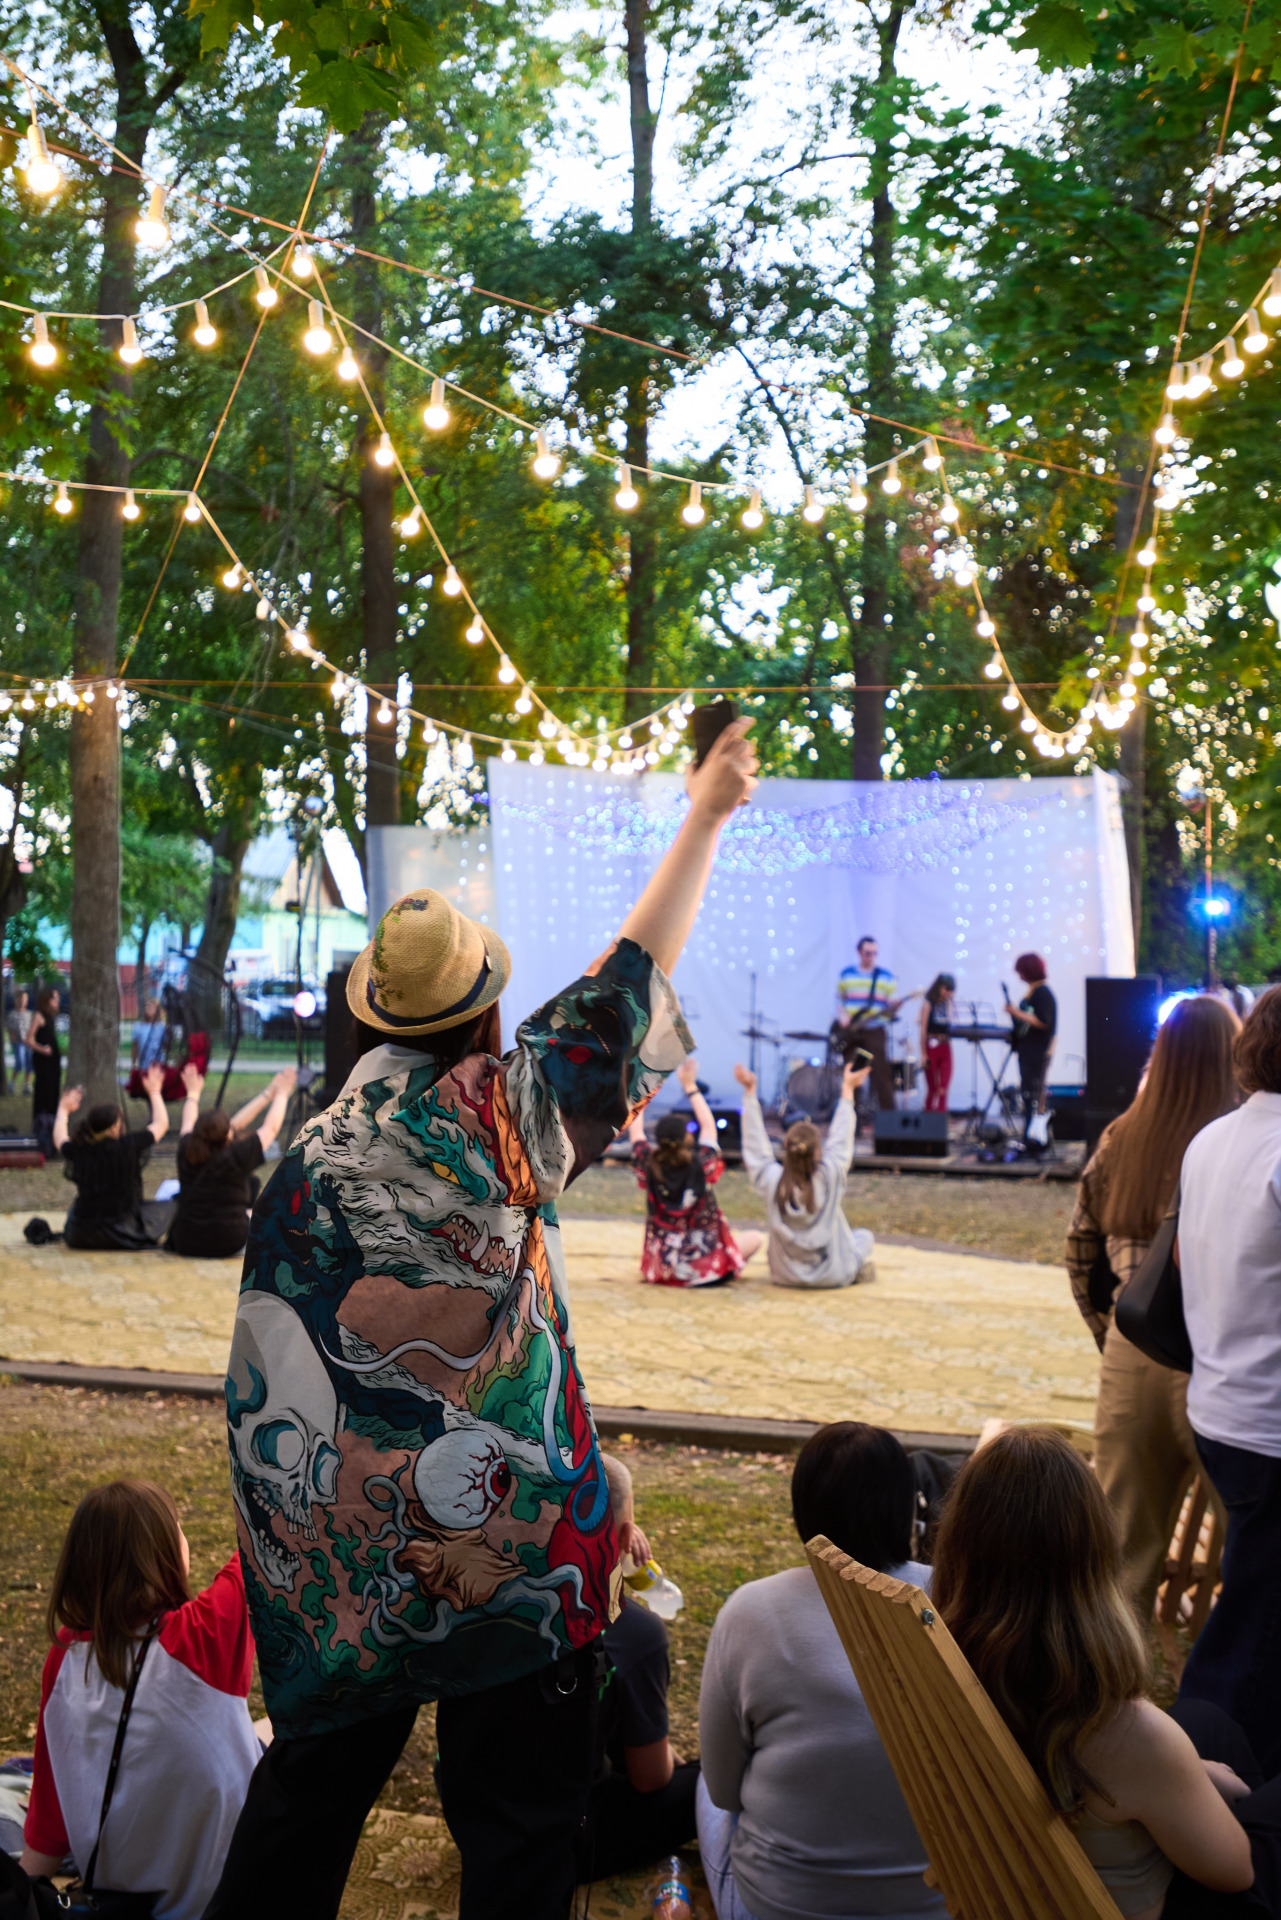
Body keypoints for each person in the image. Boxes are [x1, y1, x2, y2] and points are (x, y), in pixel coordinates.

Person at [203, 717, 758, 1920]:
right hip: (506, 1558)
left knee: (306, 1807)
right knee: (517, 1835)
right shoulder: (498, 1119)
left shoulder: (304, 1160)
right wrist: (706, 812)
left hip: (340, 1566)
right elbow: (632, 979)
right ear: (478, 1019)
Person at [932, 1426, 1281, 1919]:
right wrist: (1184, 1782)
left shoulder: (940, 1666)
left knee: (1206, 1719)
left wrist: (1185, 1775)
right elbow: (1233, 1872)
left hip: (1032, 1865)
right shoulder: (1124, 1730)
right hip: (1130, 1905)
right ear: (1094, 1560)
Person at [697, 1422, 945, 1920]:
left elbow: (726, 1792)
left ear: (801, 1511)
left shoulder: (751, 1610)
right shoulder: (956, 1601)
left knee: (704, 1786)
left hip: (779, 1906)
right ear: (908, 1510)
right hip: (934, 1906)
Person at [1065, 994, 1238, 1616]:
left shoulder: (1121, 1135)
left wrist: (1111, 1334)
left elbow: (1079, 1251)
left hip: (1134, 1351)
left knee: (1118, 1561)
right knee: (1251, 1548)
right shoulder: (1240, 1144)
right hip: (1220, 1355)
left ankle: (1109, 1700)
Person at [19, 1478, 261, 1920]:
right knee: (265, 1744)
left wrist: (18, 1894)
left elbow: (49, 1815)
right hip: (229, 1902)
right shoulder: (202, 1636)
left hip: (122, 1909)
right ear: (166, 1553)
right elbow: (263, 1539)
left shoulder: (64, 1659)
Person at [1177, 986, 1281, 1775]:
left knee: (1253, 1595)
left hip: (1217, 1404)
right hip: (1266, 1420)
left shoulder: (1212, 1137)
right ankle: (1209, 1766)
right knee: (1250, 1621)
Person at [576, 1454, 700, 1885]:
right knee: (706, 1784)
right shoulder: (635, 1633)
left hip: (473, 1814)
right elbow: (651, 1779)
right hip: (563, 1842)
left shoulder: (483, 1592)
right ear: (628, 1536)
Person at [734, 1059, 876, 1288]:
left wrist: (750, 1094)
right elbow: (841, 1139)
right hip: (834, 1275)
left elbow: (755, 1149)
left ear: (786, 1149)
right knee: (864, 1238)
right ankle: (855, 1267)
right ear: (818, 1152)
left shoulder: (771, 1181)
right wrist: (847, 1090)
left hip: (784, 1276)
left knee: (860, 1237)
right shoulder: (831, 1174)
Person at [626, 1058, 764, 1286]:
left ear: (659, 1141)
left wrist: (640, 1091)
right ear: (686, 1138)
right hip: (707, 1271)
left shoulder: (647, 1164)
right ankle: (716, 1270)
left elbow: (636, 1130)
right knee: (756, 1239)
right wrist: (690, 1086)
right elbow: (709, 1127)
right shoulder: (702, 1164)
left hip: (663, 1271)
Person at [54, 1062, 198, 1250]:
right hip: (122, 1234)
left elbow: (60, 1140)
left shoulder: (80, 1149)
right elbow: (161, 1124)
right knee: (172, 1205)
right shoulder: (128, 1145)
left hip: (81, 1233)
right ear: (115, 1126)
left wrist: (63, 1110)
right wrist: (154, 1091)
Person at [167, 1067, 297, 1259]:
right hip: (229, 1240)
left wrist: (193, 1094)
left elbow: (188, 1122)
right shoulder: (236, 1156)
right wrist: (283, 1093)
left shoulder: (187, 1149)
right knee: (271, 1216)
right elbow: (271, 1128)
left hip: (186, 1240)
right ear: (227, 1135)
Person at [836, 936, 916, 1114]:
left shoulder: (885, 977)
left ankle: (890, 1123)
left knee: (882, 1076)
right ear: (859, 953)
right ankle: (851, 1122)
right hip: (851, 1033)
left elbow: (890, 1010)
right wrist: (842, 1015)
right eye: (867, 953)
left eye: (874, 953)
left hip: (875, 1031)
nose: (871, 957)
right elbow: (839, 1000)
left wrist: (896, 1006)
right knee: (851, 1076)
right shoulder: (847, 974)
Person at [1003, 952, 1056, 1146]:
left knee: (1032, 1093)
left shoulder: (1042, 993)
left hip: (1037, 1052)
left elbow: (1044, 1021)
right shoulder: (1034, 992)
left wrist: (1016, 1012)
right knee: (1028, 1093)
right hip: (1028, 1051)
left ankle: (1034, 1136)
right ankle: (1029, 1134)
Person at [29, 985, 61, 1152]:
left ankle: (51, 1130)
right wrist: (43, 1049)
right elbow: (29, 1040)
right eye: (54, 998)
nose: (58, 1001)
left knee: (53, 1094)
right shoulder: (39, 1017)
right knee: (44, 1094)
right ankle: (41, 1130)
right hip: (44, 1064)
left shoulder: (51, 1017)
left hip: (53, 1064)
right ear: (47, 1000)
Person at [919, 973, 956, 1115]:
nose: (949, 993)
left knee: (944, 1086)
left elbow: (953, 1024)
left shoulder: (948, 1004)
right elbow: (923, 1029)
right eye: (947, 990)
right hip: (931, 1045)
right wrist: (923, 1053)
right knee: (933, 1087)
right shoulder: (928, 1004)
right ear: (940, 988)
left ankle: (941, 1116)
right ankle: (929, 1116)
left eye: (951, 991)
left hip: (945, 1046)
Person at [7, 987, 33, 1096]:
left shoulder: (29, 1014)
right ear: (16, 1000)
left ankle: (27, 1084)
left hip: (28, 1043)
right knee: (20, 1062)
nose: (22, 1001)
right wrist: (13, 1039)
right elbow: (10, 1029)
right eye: (20, 999)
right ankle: (12, 1082)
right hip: (18, 1042)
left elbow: (31, 1028)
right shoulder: (12, 1014)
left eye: (24, 999)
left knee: (29, 1063)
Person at [132, 997, 167, 1075]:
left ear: (156, 1010)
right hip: (143, 1066)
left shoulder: (161, 1027)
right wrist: (133, 1064)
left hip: (158, 1066)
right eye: (146, 1006)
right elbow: (135, 1046)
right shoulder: (138, 1026)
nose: (148, 1007)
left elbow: (166, 1046)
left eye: (151, 1006)